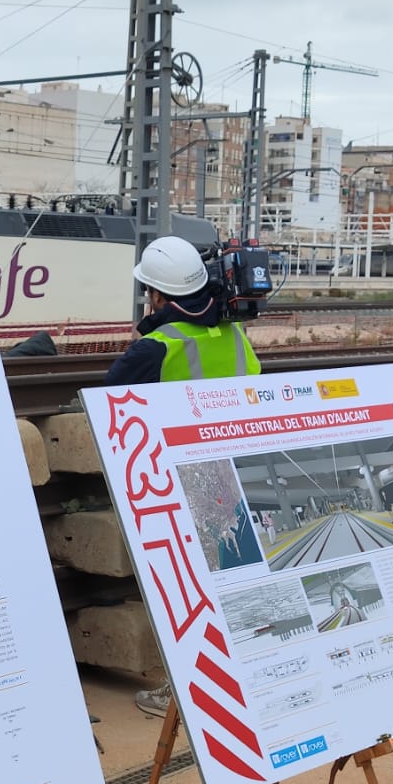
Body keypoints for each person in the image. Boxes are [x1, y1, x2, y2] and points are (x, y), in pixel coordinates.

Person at [109, 235, 260, 718]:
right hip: (233, 479)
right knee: (226, 584)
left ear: (155, 295)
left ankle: (184, 695)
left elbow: (107, 407)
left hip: (182, 485)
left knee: (188, 594)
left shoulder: (155, 348)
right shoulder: (234, 336)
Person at [104, 235, 259, 385]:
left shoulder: (153, 348)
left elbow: (112, 390)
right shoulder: (235, 329)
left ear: (156, 296)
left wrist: (142, 339)